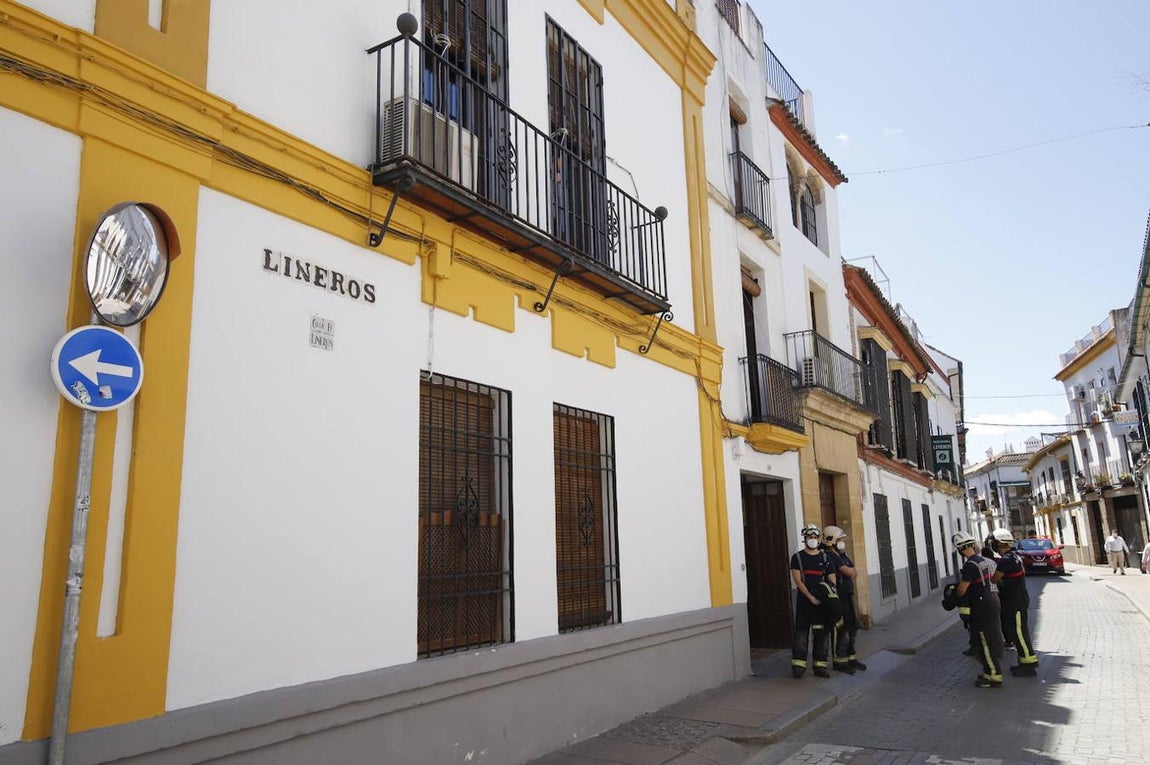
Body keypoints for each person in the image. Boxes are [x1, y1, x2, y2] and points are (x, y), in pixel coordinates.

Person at [953, 531, 1004, 688]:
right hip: (992, 599)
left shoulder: (970, 565)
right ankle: (992, 670)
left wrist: (954, 594)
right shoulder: (982, 561)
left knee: (984, 640)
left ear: (961, 549)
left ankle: (992, 675)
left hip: (981, 605)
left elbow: (962, 590)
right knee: (990, 636)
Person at [790, 523, 837, 679]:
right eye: (810, 537)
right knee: (801, 634)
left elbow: (832, 579)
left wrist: (825, 596)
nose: (812, 540)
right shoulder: (797, 558)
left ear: (819, 539)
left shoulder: (826, 558)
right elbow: (798, 581)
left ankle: (820, 665)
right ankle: (798, 665)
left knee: (821, 634)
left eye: (815, 537)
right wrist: (811, 597)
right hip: (805, 602)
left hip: (821, 604)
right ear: (805, 539)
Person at [990, 529, 1039, 677]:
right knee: (1019, 632)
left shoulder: (1006, 560)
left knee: (1019, 633)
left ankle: (1029, 664)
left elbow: (994, 579)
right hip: (1018, 600)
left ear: (999, 543)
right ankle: (1024, 661)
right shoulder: (1015, 557)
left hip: (1015, 602)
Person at [823, 525, 867, 674]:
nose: (842, 542)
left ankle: (851, 658)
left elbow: (854, 571)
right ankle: (840, 661)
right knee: (841, 629)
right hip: (838, 597)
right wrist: (851, 572)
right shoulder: (830, 555)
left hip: (847, 596)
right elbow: (848, 571)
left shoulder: (841, 554)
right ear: (831, 541)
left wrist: (851, 572)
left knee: (852, 626)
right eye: (840, 539)